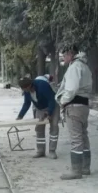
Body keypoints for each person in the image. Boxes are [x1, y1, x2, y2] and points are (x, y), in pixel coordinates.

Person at [55, 45, 93, 180]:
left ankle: (76, 170)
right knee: (83, 136)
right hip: (83, 105)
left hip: (73, 106)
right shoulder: (85, 67)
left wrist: (63, 101)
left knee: (76, 138)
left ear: (71, 54)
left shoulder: (74, 67)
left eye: (64, 55)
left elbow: (71, 89)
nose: (63, 58)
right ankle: (85, 167)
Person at [16, 77, 60, 159]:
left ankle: (52, 151)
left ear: (29, 85)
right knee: (39, 128)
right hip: (40, 108)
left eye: (25, 88)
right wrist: (20, 116)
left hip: (53, 106)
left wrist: (49, 113)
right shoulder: (26, 91)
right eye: (22, 88)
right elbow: (27, 103)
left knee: (54, 127)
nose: (24, 90)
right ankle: (41, 151)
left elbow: (51, 99)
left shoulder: (42, 85)